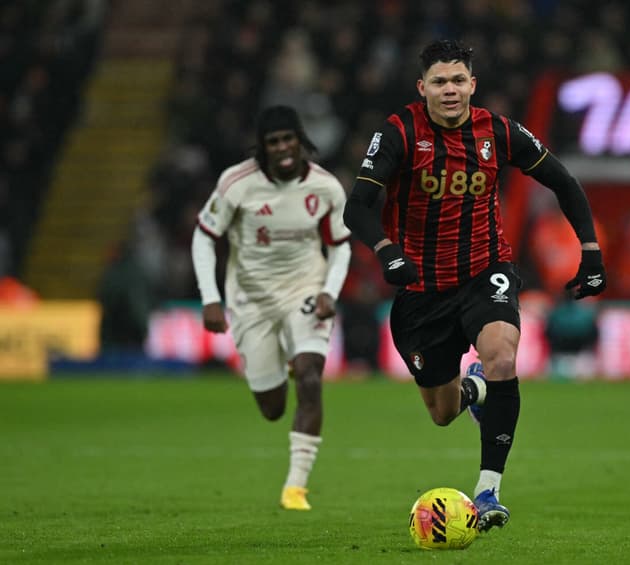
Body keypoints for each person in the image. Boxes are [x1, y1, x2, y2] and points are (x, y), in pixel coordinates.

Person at [343, 39, 606, 531]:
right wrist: (387, 252)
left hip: (486, 272)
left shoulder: (498, 131)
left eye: (458, 80)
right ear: (422, 87)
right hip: (421, 291)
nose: (449, 90)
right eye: (439, 82)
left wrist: (590, 250)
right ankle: (476, 389)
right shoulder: (399, 132)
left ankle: (488, 492)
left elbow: (564, 181)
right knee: (443, 413)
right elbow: (356, 206)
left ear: (472, 85)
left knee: (503, 353)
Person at [191, 105, 351, 511]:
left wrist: (330, 290)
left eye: (288, 139)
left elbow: (339, 246)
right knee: (272, 408)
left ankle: (295, 488)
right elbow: (204, 237)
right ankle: (282, 357)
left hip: (305, 290)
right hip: (251, 301)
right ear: (262, 149)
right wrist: (211, 298)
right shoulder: (237, 182)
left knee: (312, 376)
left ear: (301, 141)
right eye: (273, 142)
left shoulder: (326, 187)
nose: (282, 148)